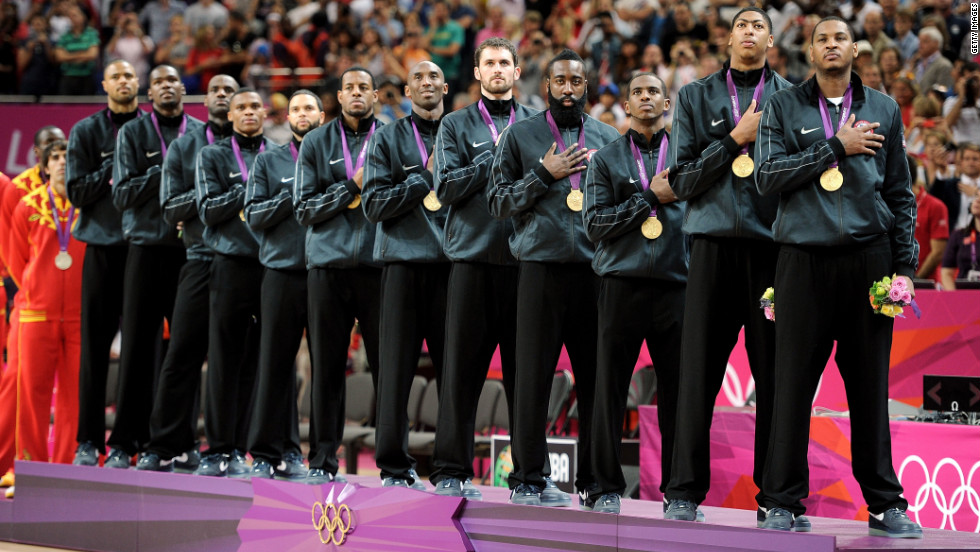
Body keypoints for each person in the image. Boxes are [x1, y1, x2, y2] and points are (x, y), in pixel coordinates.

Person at [755, 16, 922, 538]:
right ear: (810, 51)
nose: (831, 45)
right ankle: (780, 499)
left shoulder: (884, 108)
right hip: (802, 260)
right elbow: (766, 176)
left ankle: (884, 502)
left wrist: (904, 266)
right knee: (791, 386)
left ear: (855, 48)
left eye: (839, 38)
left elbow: (899, 193)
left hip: (868, 262)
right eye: (821, 38)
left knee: (869, 386)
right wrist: (834, 147)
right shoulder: (782, 106)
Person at [663, 7, 791, 525]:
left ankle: (778, 498)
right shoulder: (694, 96)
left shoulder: (793, 99)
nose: (750, 32)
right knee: (697, 378)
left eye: (759, 25)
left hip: (772, 256)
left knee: (777, 381)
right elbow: (682, 180)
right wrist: (736, 138)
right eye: (742, 25)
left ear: (771, 38)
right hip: (711, 251)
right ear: (729, 36)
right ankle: (683, 493)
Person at [489, 48, 620, 507]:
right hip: (539, 270)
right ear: (546, 86)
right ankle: (528, 477)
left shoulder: (608, 137)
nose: (568, 89)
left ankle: (597, 483)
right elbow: (497, 202)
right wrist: (543, 175)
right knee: (531, 379)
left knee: (597, 382)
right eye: (559, 80)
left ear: (587, 86)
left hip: (593, 273)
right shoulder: (520, 136)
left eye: (576, 81)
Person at [428, 37, 536, 499]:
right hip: (470, 261)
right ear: (477, 72)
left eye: (504, 63)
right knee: (461, 373)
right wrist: (496, 161)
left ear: (516, 71)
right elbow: (446, 187)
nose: (497, 69)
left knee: (524, 374)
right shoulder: (453, 124)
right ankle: (451, 468)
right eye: (488, 62)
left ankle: (529, 475)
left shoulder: (536, 123)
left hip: (523, 263)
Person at [581, 72, 686, 515]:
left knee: (680, 394)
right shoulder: (605, 159)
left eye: (654, 93)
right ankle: (606, 487)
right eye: (638, 92)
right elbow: (594, 225)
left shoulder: (685, 154)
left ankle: (680, 491)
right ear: (626, 104)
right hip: (620, 284)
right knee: (609, 390)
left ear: (667, 104)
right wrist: (648, 197)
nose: (646, 98)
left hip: (675, 286)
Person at [137, 74, 238, 472]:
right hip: (197, 259)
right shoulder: (183, 145)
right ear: (206, 99)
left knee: (233, 360)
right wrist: (214, 195)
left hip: (243, 265)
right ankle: (164, 444)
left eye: (230, 91)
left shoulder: (257, 149)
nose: (222, 96)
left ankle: (228, 448)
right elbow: (171, 209)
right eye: (216, 90)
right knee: (181, 355)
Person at [362, 60, 450, 490]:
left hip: (453, 267)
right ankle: (394, 468)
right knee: (394, 371)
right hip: (401, 264)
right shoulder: (388, 137)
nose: (426, 82)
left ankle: (452, 469)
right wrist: (424, 180)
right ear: (407, 92)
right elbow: (374, 205)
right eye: (418, 78)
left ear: (446, 86)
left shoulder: (462, 133)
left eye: (434, 76)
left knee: (455, 374)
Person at [294, 67, 383, 484]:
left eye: (364, 87)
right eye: (349, 88)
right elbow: (304, 209)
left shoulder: (394, 138)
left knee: (389, 368)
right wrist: (352, 186)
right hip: (327, 267)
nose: (357, 94)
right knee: (327, 367)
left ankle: (393, 465)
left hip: (379, 266)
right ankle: (322, 460)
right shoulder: (315, 141)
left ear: (376, 95)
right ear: (340, 97)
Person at [107, 65, 197, 468]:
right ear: (150, 91)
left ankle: (180, 439)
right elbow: (122, 194)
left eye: (171, 81)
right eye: (158, 81)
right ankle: (126, 441)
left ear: (181, 89)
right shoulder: (132, 133)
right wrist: (167, 173)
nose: (165, 87)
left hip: (188, 252)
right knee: (138, 348)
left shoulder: (199, 133)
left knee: (184, 350)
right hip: (144, 248)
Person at [243, 89, 324, 480]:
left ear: (322, 116)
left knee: (322, 368)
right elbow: (253, 215)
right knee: (275, 365)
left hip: (325, 273)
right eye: (295, 108)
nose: (302, 113)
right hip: (280, 273)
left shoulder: (337, 158)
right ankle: (263, 452)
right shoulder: (269, 160)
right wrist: (294, 195)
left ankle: (303, 454)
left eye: (309, 107)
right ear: (287, 118)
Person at [194, 88, 272, 477]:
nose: (248, 112)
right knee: (223, 360)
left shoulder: (279, 153)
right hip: (228, 265)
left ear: (265, 112)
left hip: (271, 266)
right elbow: (207, 210)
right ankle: (217, 448)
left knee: (261, 362)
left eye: (255, 106)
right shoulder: (212, 155)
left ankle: (245, 448)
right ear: (231, 114)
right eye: (241, 107)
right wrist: (251, 191)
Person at [69, 60, 142, 467]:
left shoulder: (153, 131)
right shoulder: (86, 131)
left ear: (138, 83)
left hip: (143, 251)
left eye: (129, 76)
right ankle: (88, 441)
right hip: (100, 248)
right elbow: (77, 192)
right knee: (95, 349)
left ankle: (129, 441)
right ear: (105, 85)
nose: (123, 82)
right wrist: (115, 166)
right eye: (116, 76)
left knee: (139, 350)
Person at [6, 140, 85, 472]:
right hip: (36, 314)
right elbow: (14, 260)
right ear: (45, 166)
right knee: (31, 394)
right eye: (56, 158)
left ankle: (67, 467)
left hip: (81, 315)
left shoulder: (89, 204)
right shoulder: (27, 205)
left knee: (75, 397)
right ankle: (30, 466)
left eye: (69, 157)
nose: (63, 163)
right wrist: (37, 293)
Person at [0, 126, 66, 485]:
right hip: (29, 302)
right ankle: (8, 462)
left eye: (60, 151)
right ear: (37, 155)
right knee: (16, 385)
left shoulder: (77, 193)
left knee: (18, 384)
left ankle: (50, 469)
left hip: (52, 306)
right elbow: (14, 254)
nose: (55, 158)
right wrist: (33, 289)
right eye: (48, 151)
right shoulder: (19, 190)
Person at [908, 155, 949, 281]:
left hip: (926, 285)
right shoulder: (886, 204)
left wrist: (917, 280)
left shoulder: (935, 206)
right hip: (890, 284)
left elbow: (938, 253)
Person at [940, 196, 980, 290]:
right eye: (976, 196)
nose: (977, 200)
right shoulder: (958, 235)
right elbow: (946, 273)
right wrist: (954, 298)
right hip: (964, 295)